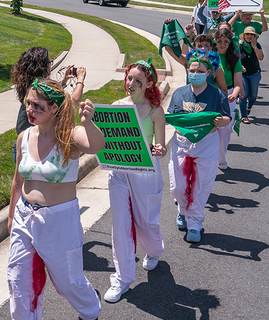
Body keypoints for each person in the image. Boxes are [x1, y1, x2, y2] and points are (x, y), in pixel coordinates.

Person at [7, 78, 104, 320]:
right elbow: (18, 181)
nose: (30, 110)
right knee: (18, 279)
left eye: (38, 106)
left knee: (68, 280)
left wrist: (89, 123)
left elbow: (96, 145)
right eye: (28, 104)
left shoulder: (70, 137)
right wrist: (11, 217)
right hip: (23, 215)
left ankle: (90, 309)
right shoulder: (24, 137)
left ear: (54, 108)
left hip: (59, 220)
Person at [103, 59, 167, 303]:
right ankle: (122, 278)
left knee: (146, 223)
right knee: (120, 225)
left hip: (146, 173)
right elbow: (105, 141)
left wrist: (159, 149)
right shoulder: (116, 106)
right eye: (129, 78)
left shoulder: (155, 110)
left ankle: (154, 251)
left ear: (149, 83)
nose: (131, 83)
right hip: (119, 172)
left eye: (138, 80)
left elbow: (160, 145)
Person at [168, 51, 231, 243]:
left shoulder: (217, 94)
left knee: (199, 186)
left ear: (208, 73)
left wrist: (222, 122)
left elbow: (227, 117)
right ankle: (182, 210)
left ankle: (194, 224)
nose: (194, 73)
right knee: (177, 186)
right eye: (191, 70)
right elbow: (172, 116)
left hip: (206, 143)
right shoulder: (180, 93)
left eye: (199, 70)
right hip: (182, 143)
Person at [213, 28, 243, 170]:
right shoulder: (210, 57)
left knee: (224, 130)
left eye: (226, 41)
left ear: (230, 42)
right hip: (211, 94)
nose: (222, 44)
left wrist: (234, 94)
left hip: (228, 95)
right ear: (215, 42)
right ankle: (209, 158)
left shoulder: (234, 59)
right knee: (211, 127)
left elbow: (238, 83)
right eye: (219, 41)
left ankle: (221, 158)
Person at [238, 26, 264, 124]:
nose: (250, 36)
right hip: (242, 73)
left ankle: (249, 107)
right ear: (244, 36)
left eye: (252, 34)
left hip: (254, 73)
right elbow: (235, 59)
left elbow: (261, 58)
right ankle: (244, 116)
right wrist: (240, 67)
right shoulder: (239, 46)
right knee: (243, 94)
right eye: (248, 34)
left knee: (253, 95)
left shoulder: (257, 45)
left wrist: (254, 46)